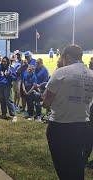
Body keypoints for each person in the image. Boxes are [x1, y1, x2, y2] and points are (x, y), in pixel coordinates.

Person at [43, 45, 93, 180]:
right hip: (83, 125)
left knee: (63, 167)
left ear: (68, 56)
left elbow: (46, 102)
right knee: (77, 164)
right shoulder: (91, 74)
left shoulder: (61, 72)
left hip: (60, 126)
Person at [0, 57, 17, 122]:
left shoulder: (11, 68)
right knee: (2, 100)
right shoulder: (0, 68)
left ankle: (14, 115)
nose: (3, 63)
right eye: (2, 61)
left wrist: (10, 74)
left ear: (7, 62)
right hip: (0, 86)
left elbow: (15, 78)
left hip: (7, 86)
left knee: (9, 100)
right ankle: (4, 114)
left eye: (5, 61)